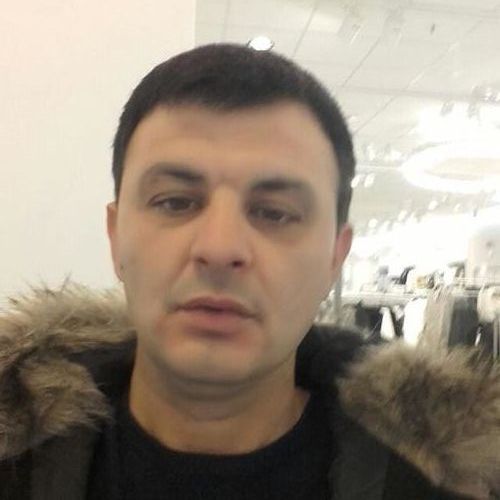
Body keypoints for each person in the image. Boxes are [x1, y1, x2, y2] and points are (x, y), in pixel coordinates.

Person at [0, 44, 499, 500]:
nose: (219, 248)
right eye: (175, 202)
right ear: (116, 237)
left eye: (274, 213)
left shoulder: (444, 484)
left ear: (335, 256)